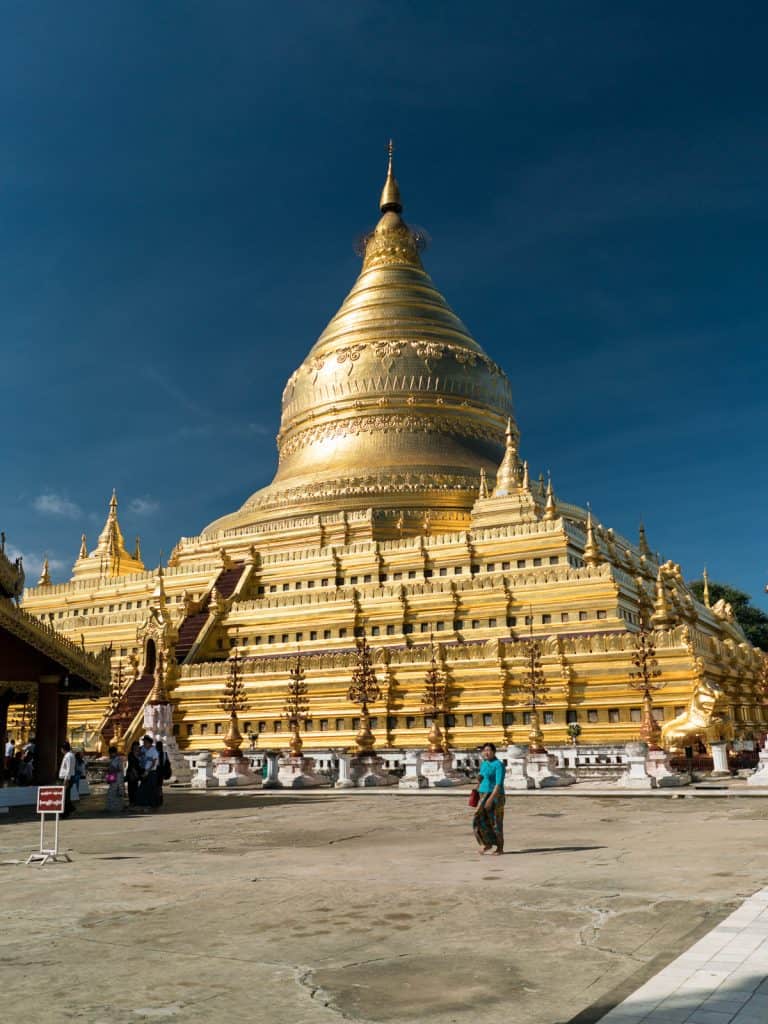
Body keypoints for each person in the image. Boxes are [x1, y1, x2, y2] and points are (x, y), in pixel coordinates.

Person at [472, 742, 505, 855]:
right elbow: (481, 777)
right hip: (483, 793)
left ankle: (500, 847)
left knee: (495, 821)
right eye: (484, 750)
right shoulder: (484, 763)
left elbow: (498, 784)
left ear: (494, 752)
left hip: (495, 795)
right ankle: (486, 843)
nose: (486, 752)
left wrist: (491, 799)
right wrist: (476, 787)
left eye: (488, 750)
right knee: (479, 819)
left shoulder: (498, 765)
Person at [136, 735, 159, 811]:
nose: (144, 743)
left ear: (149, 743)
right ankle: (144, 803)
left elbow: (154, 762)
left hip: (151, 771)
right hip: (144, 770)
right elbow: (138, 755)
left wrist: (147, 771)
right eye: (143, 742)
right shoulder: (143, 749)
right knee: (143, 788)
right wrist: (139, 751)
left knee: (151, 788)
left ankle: (153, 804)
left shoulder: (153, 750)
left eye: (145, 742)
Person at [104, 746, 125, 813]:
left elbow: (120, 769)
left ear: (115, 753)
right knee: (111, 793)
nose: (110, 755)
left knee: (116, 793)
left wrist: (112, 769)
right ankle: (112, 807)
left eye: (111, 753)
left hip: (117, 778)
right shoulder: (113, 759)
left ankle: (116, 808)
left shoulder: (118, 759)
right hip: (113, 777)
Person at [58, 742, 77, 817]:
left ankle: (65, 811)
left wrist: (66, 779)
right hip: (68, 777)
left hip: (67, 778)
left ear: (63, 748)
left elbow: (68, 769)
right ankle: (69, 809)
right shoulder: (70, 755)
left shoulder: (68, 756)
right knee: (66, 795)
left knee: (64, 796)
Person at [126, 741, 143, 806]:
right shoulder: (130, 754)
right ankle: (132, 801)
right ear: (133, 747)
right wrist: (135, 773)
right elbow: (132, 765)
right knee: (131, 788)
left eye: (137, 746)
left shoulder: (140, 754)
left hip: (138, 773)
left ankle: (135, 801)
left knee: (136, 787)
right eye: (135, 746)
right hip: (131, 773)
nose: (136, 747)